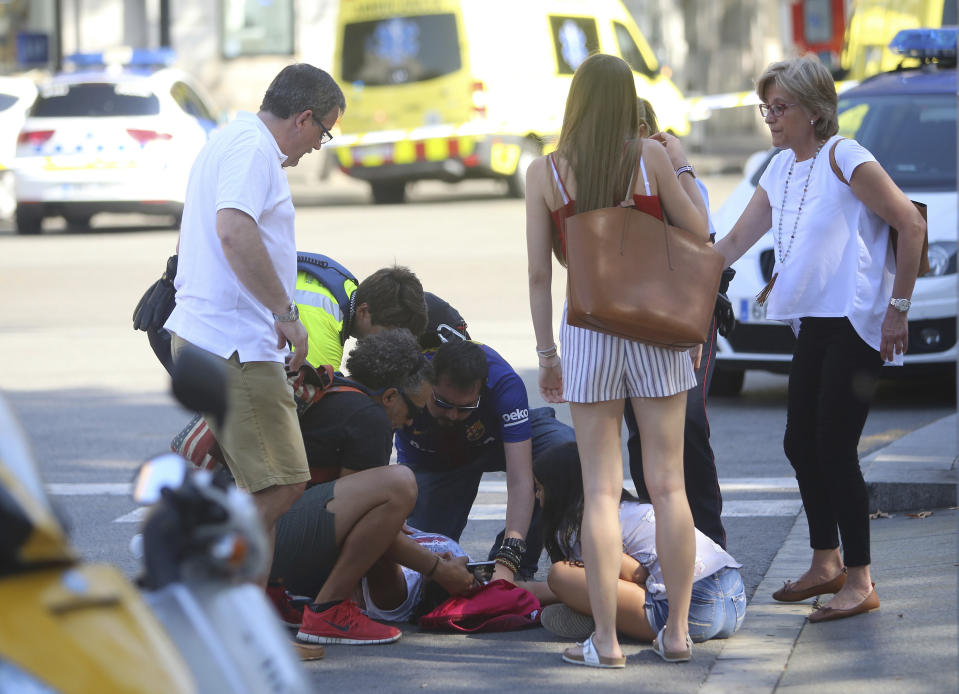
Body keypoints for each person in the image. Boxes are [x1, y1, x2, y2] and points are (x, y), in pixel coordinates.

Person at [713, 56, 925, 623]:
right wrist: (680, 269)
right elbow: (733, 240)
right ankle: (825, 561)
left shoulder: (845, 156)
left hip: (856, 321)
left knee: (833, 447)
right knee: (798, 443)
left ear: (814, 109)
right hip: (812, 322)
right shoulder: (780, 168)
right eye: (766, 108)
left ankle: (860, 579)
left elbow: (911, 224)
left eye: (779, 108)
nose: (770, 119)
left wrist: (897, 311)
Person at [525, 53, 710, 668]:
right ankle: (678, 633)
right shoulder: (650, 157)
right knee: (669, 485)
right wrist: (679, 161)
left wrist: (547, 354)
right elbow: (701, 232)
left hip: (588, 331)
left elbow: (538, 276)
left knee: (602, 491)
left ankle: (605, 641)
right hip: (657, 329)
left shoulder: (546, 172)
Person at [163, 63, 345, 586]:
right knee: (280, 485)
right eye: (323, 132)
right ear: (303, 117)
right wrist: (286, 315)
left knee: (262, 487)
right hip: (233, 345)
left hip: (219, 338)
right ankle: (208, 590)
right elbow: (234, 230)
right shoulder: (253, 150)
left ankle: (248, 622)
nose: (317, 145)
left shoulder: (232, 140)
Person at [270, 329, 476, 646]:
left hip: (240, 532)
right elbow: (361, 530)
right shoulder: (369, 418)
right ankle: (328, 611)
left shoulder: (337, 390)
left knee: (391, 507)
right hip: (264, 535)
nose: (410, 423)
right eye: (414, 410)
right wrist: (439, 570)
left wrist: (388, 523)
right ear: (391, 396)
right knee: (400, 483)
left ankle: (273, 593)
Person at [625, 98, 727, 549]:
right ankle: (659, 544)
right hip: (629, 321)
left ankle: (711, 543)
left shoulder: (670, 173)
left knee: (686, 424)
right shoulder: (605, 172)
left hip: (687, 319)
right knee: (639, 432)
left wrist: (680, 165)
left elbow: (701, 233)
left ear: (646, 129)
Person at [395, 339, 576, 584]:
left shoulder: (504, 383)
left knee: (562, 449)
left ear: (482, 388)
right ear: (428, 385)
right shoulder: (410, 380)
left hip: (496, 442)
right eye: (443, 403)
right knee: (423, 571)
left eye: (466, 407)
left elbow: (520, 480)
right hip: (436, 461)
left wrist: (509, 559)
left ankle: (514, 569)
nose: (453, 415)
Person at [527, 442, 745, 645]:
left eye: (539, 488)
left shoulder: (589, 526)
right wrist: (522, 590)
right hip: (735, 597)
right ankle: (612, 616)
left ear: (559, 490)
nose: (537, 496)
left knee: (560, 575)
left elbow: (635, 574)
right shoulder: (628, 509)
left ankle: (607, 621)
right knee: (580, 579)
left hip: (693, 611)